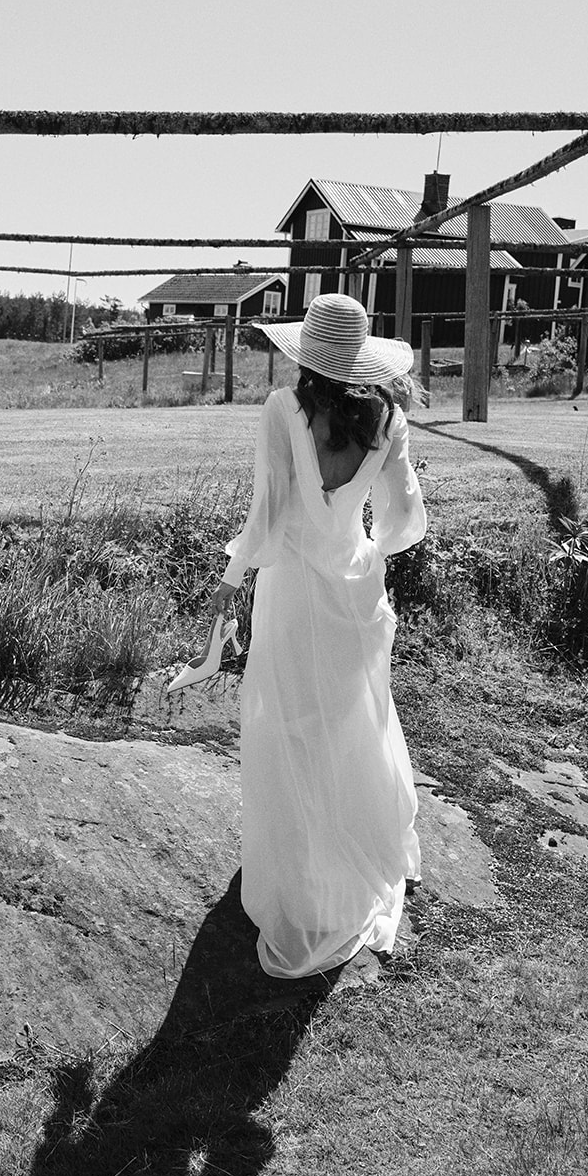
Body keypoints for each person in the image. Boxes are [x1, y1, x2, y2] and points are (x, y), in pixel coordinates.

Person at [193, 293, 428, 978]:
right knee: (346, 729)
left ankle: (301, 884)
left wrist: (231, 580)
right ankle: (342, 867)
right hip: (355, 597)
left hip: (293, 595)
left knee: (289, 729)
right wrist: (362, 551)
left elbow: (265, 519)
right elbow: (407, 523)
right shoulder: (388, 418)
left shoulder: (281, 409)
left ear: (306, 355)